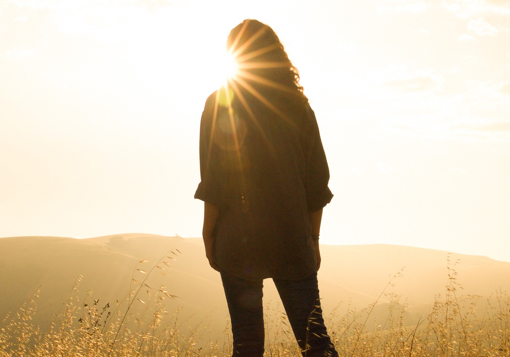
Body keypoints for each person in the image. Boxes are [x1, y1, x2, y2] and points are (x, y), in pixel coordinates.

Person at [195, 19, 338, 357]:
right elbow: (317, 183)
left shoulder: (219, 103)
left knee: (246, 345)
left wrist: (209, 234)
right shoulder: (298, 108)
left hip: (238, 238)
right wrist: (312, 240)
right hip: (291, 236)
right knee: (315, 342)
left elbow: (215, 178)